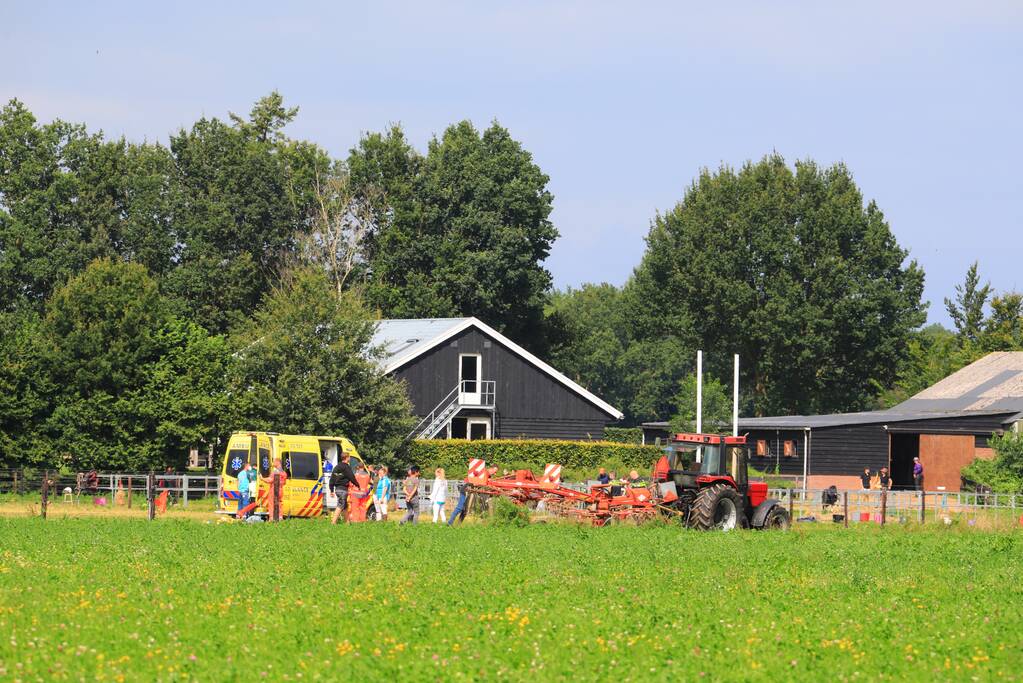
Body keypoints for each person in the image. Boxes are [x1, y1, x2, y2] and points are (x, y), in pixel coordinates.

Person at [329, 453, 361, 525]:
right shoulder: (346, 467)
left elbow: (332, 479)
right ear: (347, 458)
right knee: (340, 505)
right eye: (349, 457)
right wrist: (358, 485)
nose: (349, 458)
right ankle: (333, 522)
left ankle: (347, 523)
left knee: (345, 506)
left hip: (337, 489)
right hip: (343, 489)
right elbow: (351, 477)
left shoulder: (337, 467)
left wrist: (331, 489)